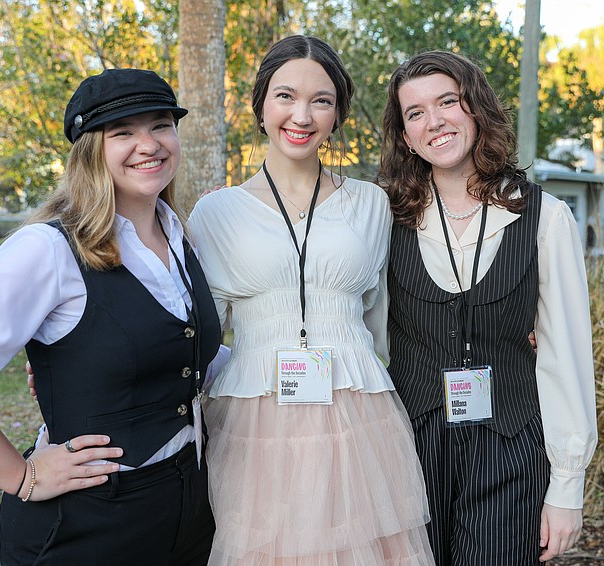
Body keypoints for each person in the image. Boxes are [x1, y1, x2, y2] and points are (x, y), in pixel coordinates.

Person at [0, 69, 222, 565]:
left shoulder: (179, 236)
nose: (149, 144)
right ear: (91, 151)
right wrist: (22, 476)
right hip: (88, 524)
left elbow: (185, 353)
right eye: (122, 132)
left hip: (187, 510)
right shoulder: (49, 249)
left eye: (161, 124)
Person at [187, 35, 436, 565]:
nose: (301, 115)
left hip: (358, 414)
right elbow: (196, 335)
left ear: (338, 112)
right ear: (260, 105)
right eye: (285, 96)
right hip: (256, 421)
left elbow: (389, 320)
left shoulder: (372, 204)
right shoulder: (215, 214)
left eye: (320, 100)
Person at [377, 50, 597, 564]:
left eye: (447, 101)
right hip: (410, 453)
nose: (435, 121)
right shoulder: (382, 219)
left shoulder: (546, 217)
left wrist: (566, 488)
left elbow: (566, 356)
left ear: (475, 108)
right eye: (415, 113)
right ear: (406, 135)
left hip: (512, 455)